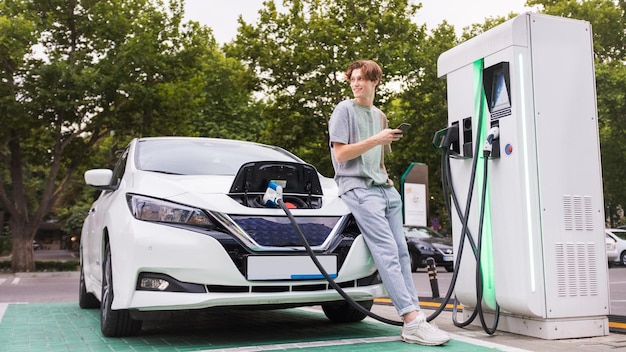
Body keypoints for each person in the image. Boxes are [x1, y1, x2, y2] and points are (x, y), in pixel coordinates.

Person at [327, 59, 450, 346]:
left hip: (384, 190)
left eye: (361, 79)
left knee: (402, 254)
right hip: (357, 187)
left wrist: (387, 178)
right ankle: (410, 320)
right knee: (386, 253)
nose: (356, 83)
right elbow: (341, 156)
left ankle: (416, 317)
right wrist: (377, 139)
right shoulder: (344, 110)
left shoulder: (380, 116)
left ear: (375, 82)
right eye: (353, 79)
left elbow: (378, 159)